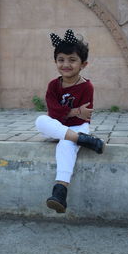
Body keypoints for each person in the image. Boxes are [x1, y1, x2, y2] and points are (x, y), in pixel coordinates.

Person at [35, 29, 105, 214]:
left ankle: (60, 192)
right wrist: (73, 111)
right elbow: (53, 112)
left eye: (72, 60)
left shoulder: (86, 86)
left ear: (83, 64)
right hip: (60, 127)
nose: (66, 64)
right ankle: (84, 140)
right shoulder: (53, 85)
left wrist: (67, 115)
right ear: (55, 61)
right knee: (41, 120)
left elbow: (83, 116)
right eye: (61, 59)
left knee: (65, 145)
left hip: (78, 127)